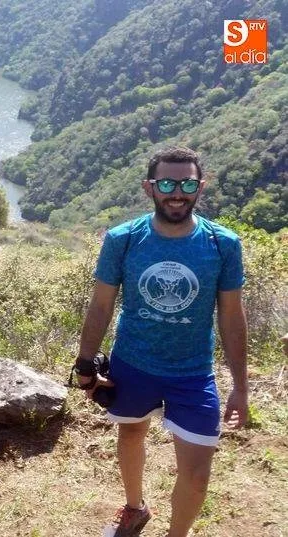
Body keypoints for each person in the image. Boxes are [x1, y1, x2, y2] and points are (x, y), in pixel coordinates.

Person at [74, 146, 248, 537]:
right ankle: (134, 507)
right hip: (133, 362)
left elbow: (232, 317)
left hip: (193, 373)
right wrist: (85, 363)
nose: (177, 192)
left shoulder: (223, 244)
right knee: (132, 431)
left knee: (198, 475)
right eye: (167, 183)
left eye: (187, 183)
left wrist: (240, 386)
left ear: (200, 186)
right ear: (149, 188)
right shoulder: (124, 239)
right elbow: (101, 304)